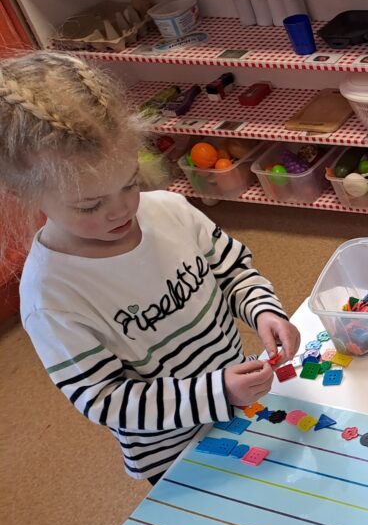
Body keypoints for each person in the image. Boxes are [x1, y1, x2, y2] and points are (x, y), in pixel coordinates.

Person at [2, 51, 299, 483]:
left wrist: (264, 312)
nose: (121, 210)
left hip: (242, 404)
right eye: (89, 205)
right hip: (171, 452)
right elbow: (104, 399)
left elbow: (233, 271)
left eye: (129, 184)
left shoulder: (170, 210)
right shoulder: (51, 296)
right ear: (23, 194)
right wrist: (216, 392)